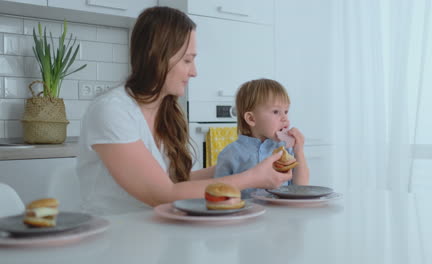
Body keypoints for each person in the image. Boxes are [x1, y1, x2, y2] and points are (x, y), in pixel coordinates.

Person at [76, 6, 292, 215]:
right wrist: (253, 177)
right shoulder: (112, 111)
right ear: (157, 57)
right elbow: (162, 194)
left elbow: (176, 182)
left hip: (158, 232)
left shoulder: (166, 113)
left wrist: (240, 162)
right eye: (187, 60)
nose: (194, 72)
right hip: (115, 237)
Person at [214, 79, 309, 198]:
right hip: (246, 215)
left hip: (281, 215)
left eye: (286, 111)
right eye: (276, 112)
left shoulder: (286, 150)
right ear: (251, 119)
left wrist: (299, 151)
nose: (285, 118)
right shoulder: (230, 154)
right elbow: (218, 193)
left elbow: (301, 188)